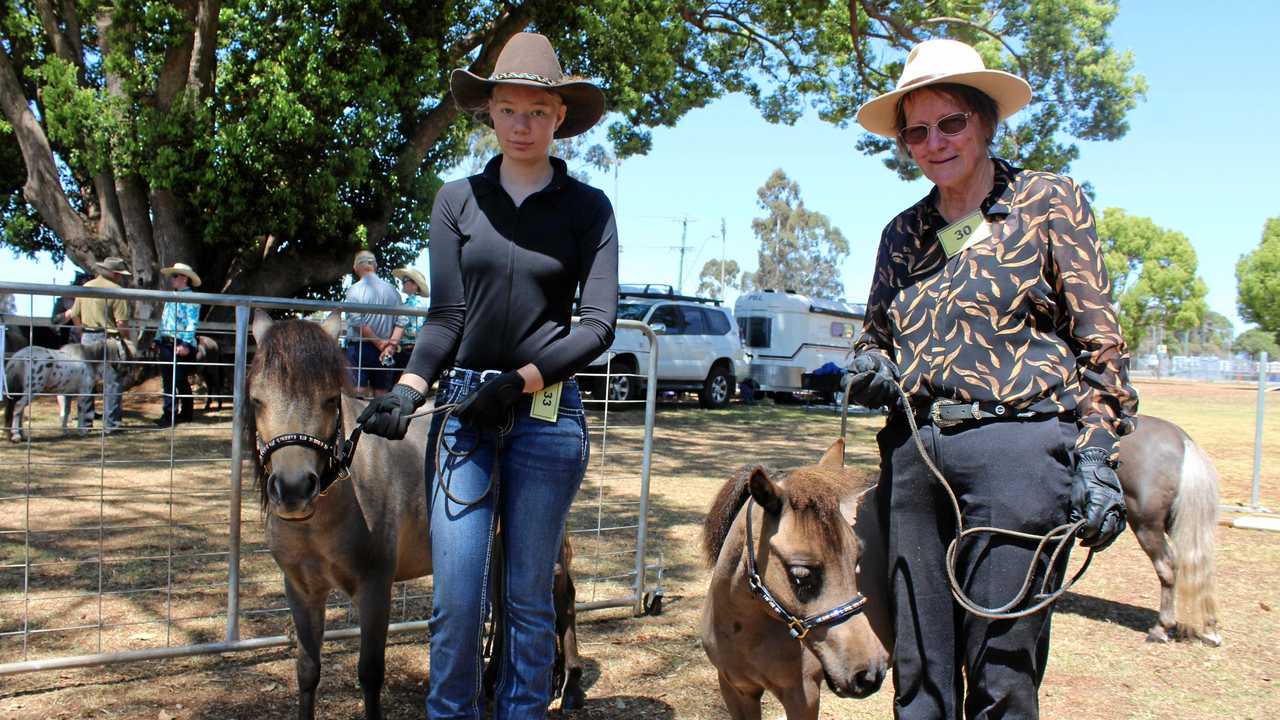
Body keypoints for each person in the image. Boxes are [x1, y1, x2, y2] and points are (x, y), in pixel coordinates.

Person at [845, 39, 1137, 720]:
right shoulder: (902, 234)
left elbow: (1099, 340)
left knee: (1003, 671)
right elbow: (876, 334)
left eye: (951, 123)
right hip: (916, 460)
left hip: (1019, 450)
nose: (933, 142)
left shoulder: (1046, 201)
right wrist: (871, 366)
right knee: (918, 671)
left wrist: (1096, 453)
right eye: (916, 131)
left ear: (984, 122)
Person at [357, 32, 616, 719]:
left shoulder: (589, 209)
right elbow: (444, 316)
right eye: (508, 109)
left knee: (527, 599)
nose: (522, 124)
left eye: (537, 110)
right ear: (490, 114)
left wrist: (523, 380)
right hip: (464, 413)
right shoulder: (456, 200)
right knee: (457, 600)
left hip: (547, 416)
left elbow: (597, 325)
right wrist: (407, 391)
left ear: (560, 116)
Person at [64, 257, 133, 431]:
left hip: (87, 337)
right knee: (112, 382)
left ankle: (84, 424)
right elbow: (122, 323)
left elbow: (74, 314)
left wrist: (81, 331)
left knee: (86, 381)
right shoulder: (117, 291)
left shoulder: (86, 288)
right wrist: (126, 340)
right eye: (119, 274)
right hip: (109, 338)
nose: (120, 278)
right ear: (115, 274)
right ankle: (112, 425)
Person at [343, 250, 406, 396]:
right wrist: (390, 346)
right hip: (387, 350)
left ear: (356, 267)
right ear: (375, 266)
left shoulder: (354, 290)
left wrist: (380, 343)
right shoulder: (392, 290)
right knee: (382, 394)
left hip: (360, 348)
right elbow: (402, 321)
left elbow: (357, 322)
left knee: (357, 394)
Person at [153, 262, 202, 427]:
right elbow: (164, 320)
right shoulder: (171, 297)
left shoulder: (192, 298)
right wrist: (158, 339)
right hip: (166, 342)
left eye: (174, 276)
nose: (171, 279)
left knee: (180, 380)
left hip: (180, 343)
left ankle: (186, 413)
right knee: (168, 380)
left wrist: (186, 344)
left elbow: (192, 322)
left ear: (184, 278)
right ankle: (168, 414)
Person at [388, 267, 429, 370]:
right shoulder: (413, 302)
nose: (402, 283)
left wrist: (396, 334)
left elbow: (415, 330)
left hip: (409, 350)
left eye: (405, 281)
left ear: (415, 285)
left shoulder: (415, 303)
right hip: (411, 350)